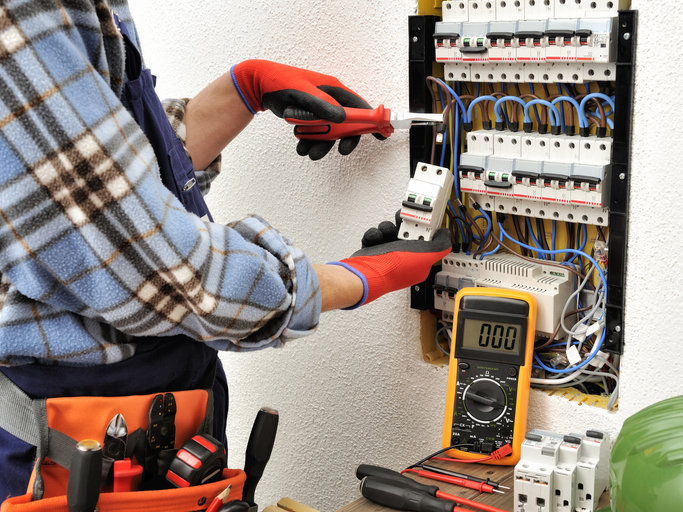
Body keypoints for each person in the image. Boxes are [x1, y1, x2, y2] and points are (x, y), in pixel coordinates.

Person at [0, 0, 450, 502]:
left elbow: (94, 175)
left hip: (149, 411)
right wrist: (361, 277)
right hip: (57, 443)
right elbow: (163, 267)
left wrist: (241, 92)